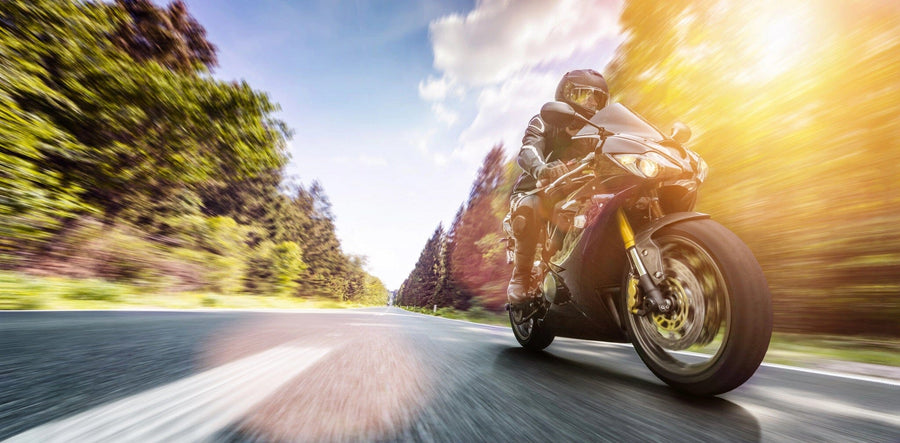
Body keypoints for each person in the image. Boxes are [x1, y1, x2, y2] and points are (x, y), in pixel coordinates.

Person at [507, 69, 610, 305]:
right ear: (566, 95)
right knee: (530, 206)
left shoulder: (600, 130)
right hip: (535, 189)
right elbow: (528, 151)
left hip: (578, 189)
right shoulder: (544, 121)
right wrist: (542, 169)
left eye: (598, 97)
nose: (592, 102)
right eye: (584, 94)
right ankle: (521, 279)